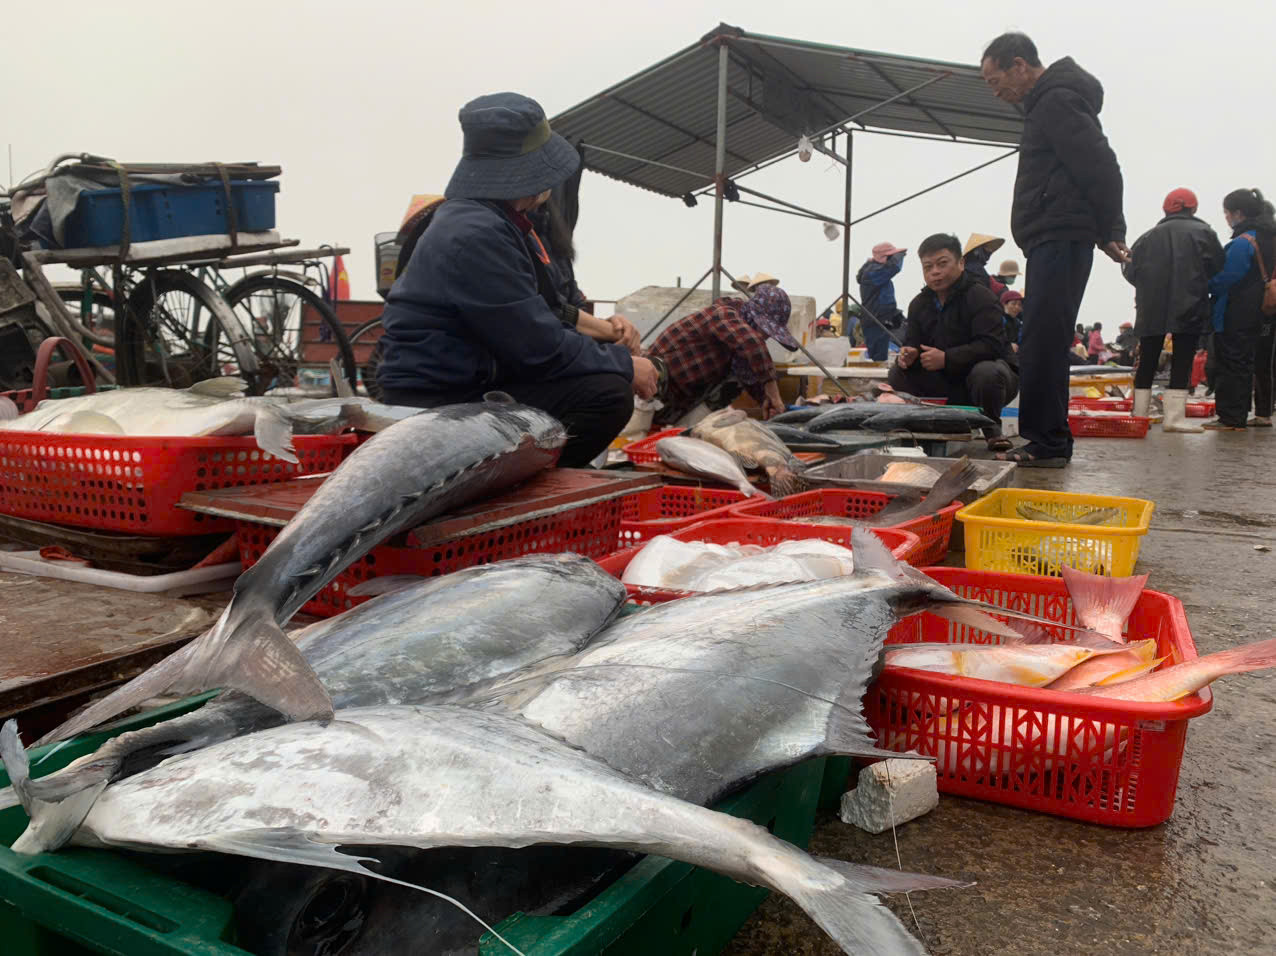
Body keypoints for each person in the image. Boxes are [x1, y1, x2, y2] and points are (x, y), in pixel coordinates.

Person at [376, 92, 657, 467]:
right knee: (607, 394)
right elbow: (538, 349)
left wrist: (607, 339)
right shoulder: (479, 234)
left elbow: (547, 316)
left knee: (601, 382)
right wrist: (623, 364)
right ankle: (515, 493)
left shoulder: (499, 224)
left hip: (467, 379)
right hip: (438, 395)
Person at [981, 32, 1128, 467]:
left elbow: (1100, 163)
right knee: (1043, 335)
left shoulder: (1055, 101)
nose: (995, 90)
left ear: (1020, 65)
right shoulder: (1050, 103)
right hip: (1053, 234)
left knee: (1044, 337)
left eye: (995, 79)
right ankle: (1046, 439)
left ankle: (1047, 441)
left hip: (1060, 233)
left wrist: (1111, 228)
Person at [888, 233, 1019, 451]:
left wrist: (947, 358)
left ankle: (992, 430)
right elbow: (913, 343)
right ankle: (921, 427)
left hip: (988, 384)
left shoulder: (981, 297)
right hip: (947, 384)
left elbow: (992, 346)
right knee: (897, 374)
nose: (935, 272)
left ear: (961, 263)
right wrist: (908, 355)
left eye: (942, 263)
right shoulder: (918, 304)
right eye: (927, 267)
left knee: (987, 371)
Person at [1121, 187, 1224, 432]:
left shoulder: (1146, 237)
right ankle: (1174, 419)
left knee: (1147, 359)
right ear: (1193, 208)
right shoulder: (1204, 233)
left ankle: (1139, 415)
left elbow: (1129, 270)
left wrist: (1149, 288)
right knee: (1183, 359)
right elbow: (1218, 265)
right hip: (1190, 303)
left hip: (1150, 306)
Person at [646, 284, 797, 427]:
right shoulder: (724, 313)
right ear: (753, 316)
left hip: (680, 401)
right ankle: (634, 429)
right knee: (652, 369)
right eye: (765, 330)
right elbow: (751, 343)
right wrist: (772, 389)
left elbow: (753, 375)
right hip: (651, 387)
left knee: (734, 383)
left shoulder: (742, 352)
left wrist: (767, 400)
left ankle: (685, 433)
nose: (765, 336)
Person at [528, 197, 642, 354]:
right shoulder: (507, 232)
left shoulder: (552, 234)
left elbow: (575, 304)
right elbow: (547, 311)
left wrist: (608, 326)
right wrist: (606, 330)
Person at [1206, 188, 1276, 430]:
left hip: (1238, 310)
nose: (1226, 218)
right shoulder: (1271, 238)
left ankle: (1231, 418)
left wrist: (1204, 283)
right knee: (1252, 363)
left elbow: (1227, 276)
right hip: (1264, 311)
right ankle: (1246, 414)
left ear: (1238, 213)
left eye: (1227, 213)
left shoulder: (1244, 242)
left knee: (1232, 362)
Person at [856, 242, 907, 361]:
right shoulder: (874, 273)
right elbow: (893, 267)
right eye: (890, 257)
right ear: (884, 258)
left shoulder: (873, 271)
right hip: (876, 319)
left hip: (878, 318)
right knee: (879, 358)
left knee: (878, 356)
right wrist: (900, 255)